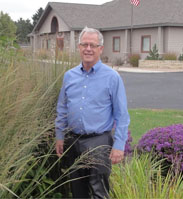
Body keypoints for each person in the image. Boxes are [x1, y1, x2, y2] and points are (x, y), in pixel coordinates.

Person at [54, 26, 129, 199]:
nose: (88, 49)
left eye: (93, 45)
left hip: (99, 142)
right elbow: (62, 108)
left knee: (98, 191)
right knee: (77, 191)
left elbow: (122, 115)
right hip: (73, 141)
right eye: (84, 44)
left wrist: (119, 145)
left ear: (100, 49)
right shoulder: (69, 76)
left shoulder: (112, 77)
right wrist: (59, 135)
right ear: (79, 47)